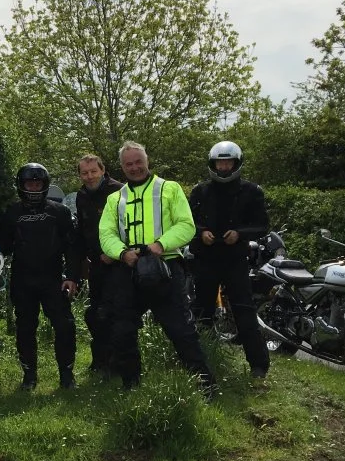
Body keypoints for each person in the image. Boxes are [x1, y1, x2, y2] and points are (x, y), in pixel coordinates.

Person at [98, 141, 216, 396]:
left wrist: (160, 245)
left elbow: (186, 225)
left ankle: (205, 385)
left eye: (138, 161)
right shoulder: (114, 198)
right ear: (122, 167)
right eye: (128, 164)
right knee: (122, 329)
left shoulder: (169, 189)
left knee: (180, 329)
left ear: (147, 161)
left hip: (165, 265)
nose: (134, 167)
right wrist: (122, 253)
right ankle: (131, 385)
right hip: (127, 267)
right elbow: (105, 234)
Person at [188, 140, 272, 379]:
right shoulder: (199, 191)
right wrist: (201, 231)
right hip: (206, 259)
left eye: (228, 162)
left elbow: (262, 225)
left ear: (236, 163)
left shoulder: (252, 191)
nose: (223, 167)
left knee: (244, 311)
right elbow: (188, 221)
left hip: (236, 260)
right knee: (202, 310)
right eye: (219, 163)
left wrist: (241, 234)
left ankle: (258, 365)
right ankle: (201, 361)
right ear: (212, 164)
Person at [0, 163, 82, 391]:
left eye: (38, 184)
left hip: (54, 279)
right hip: (22, 280)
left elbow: (72, 248)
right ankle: (29, 377)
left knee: (65, 326)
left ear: (45, 185)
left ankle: (67, 376)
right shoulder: (11, 212)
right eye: (29, 184)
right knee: (25, 328)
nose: (34, 188)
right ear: (21, 186)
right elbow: (2, 247)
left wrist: (72, 276)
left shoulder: (59, 212)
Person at [74, 154, 122, 376]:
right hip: (96, 263)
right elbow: (83, 230)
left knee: (113, 313)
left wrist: (114, 253)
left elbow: (128, 227)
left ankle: (117, 363)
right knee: (94, 313)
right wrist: (81, 259)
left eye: (93, 171)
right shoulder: (81, 196)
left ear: (103, 170)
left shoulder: (120, 191)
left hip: (119, 262)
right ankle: (99, 360)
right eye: (85, 173)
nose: (89, 176)